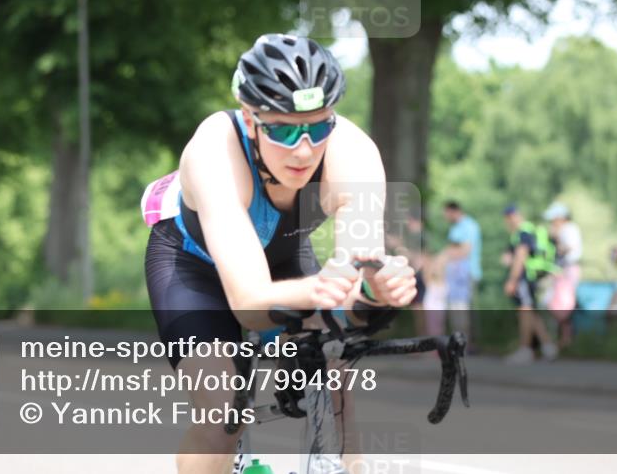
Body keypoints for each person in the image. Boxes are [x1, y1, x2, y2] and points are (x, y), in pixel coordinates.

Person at [142, 34, 417, 474]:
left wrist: (375, 289)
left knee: (335, 384)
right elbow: (250, 305)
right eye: (284, 129)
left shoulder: (354, 153)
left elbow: (357, 287)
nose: (304, 149)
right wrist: (324, 288)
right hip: (193, 267)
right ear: (251, 121)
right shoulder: (216, 149)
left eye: (318, 127)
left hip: (285, 262)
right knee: (222, 416)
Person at [501, 204, 558, 363]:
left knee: (524, 311)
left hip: (524, 277)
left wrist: (512, 280)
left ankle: (526, 350)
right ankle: (548, 346)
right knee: (530, 312)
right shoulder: (526, 230)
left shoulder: (523, 232)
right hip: (531, 276)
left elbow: (521, 256)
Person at [440, 201, 482, 350]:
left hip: (466, 273)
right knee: (456, 310)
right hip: (454, 275)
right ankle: (460, 343)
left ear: (454, 211)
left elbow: (465, 250)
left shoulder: (469, 226)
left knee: (463, 310)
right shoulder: (456, 227)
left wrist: (443, 257)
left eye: (446, 213)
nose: (445, 217)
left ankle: (467, 344)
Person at [543, 202, 581, 348]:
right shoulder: (568, 229)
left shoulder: (569, 229)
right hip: (564, 271)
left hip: (567, 271)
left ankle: (565, 340)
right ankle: (563, 339)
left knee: (562, 306)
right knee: (558, 304)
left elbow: (567, 248)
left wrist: (556, 238)